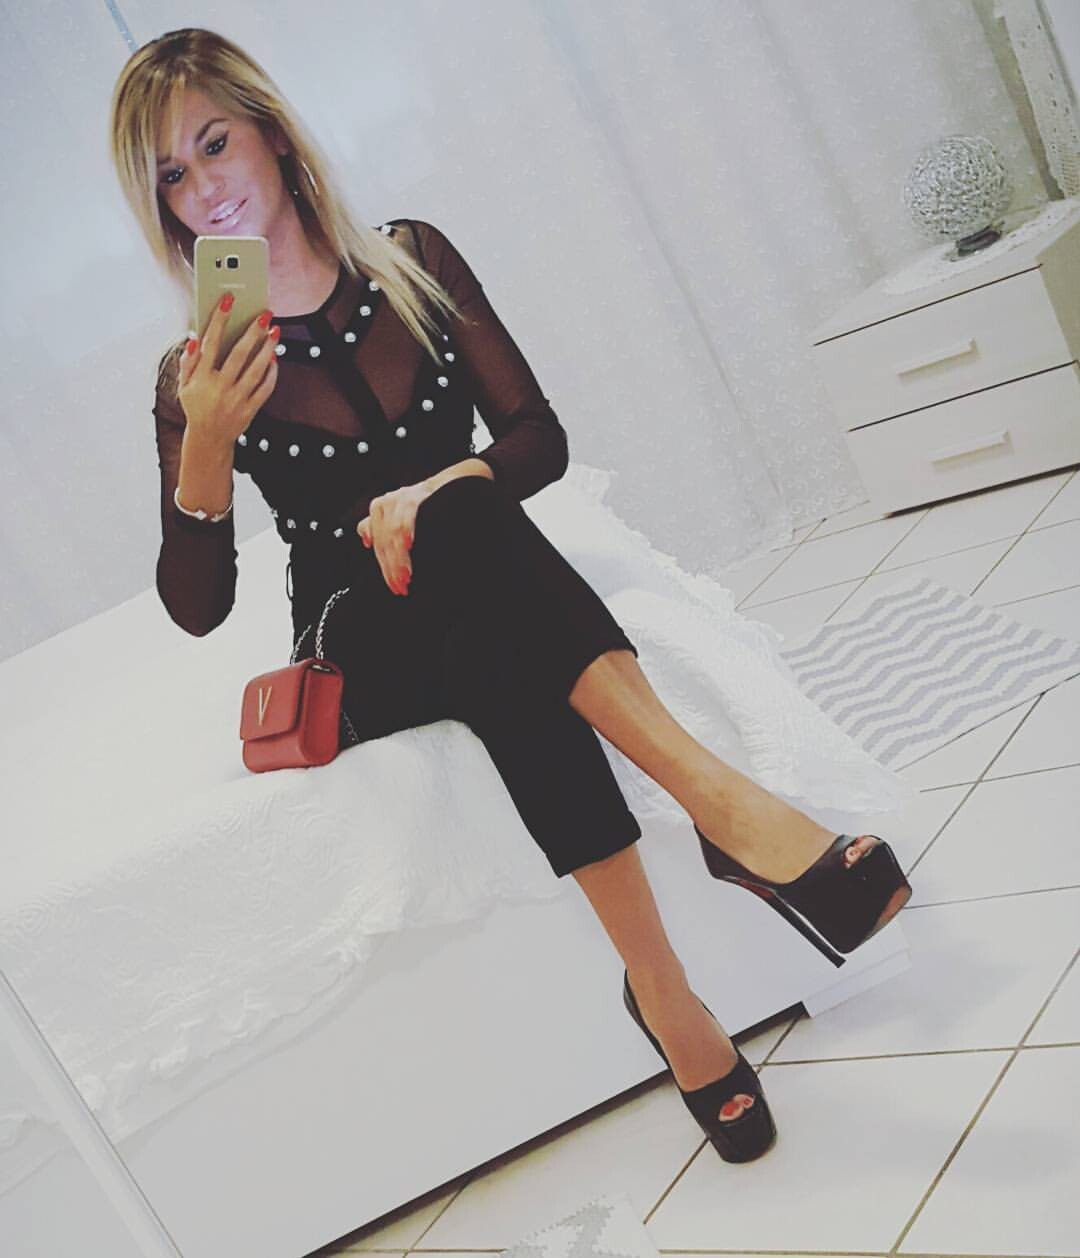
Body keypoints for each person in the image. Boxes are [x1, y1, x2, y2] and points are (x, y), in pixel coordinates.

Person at [109, 27, 911, 1165]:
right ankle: (727, 815)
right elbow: (197, 608)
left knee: (492, 606)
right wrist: (204, 444)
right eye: (170, 177)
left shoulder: (412, 259)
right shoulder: (193, 372)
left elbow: (537, 438)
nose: (203, 189)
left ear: (274, 134)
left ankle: (664, 992)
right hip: (357, 630)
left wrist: (437, 488)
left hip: (474, 576)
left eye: (213, 143)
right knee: (481, 557)